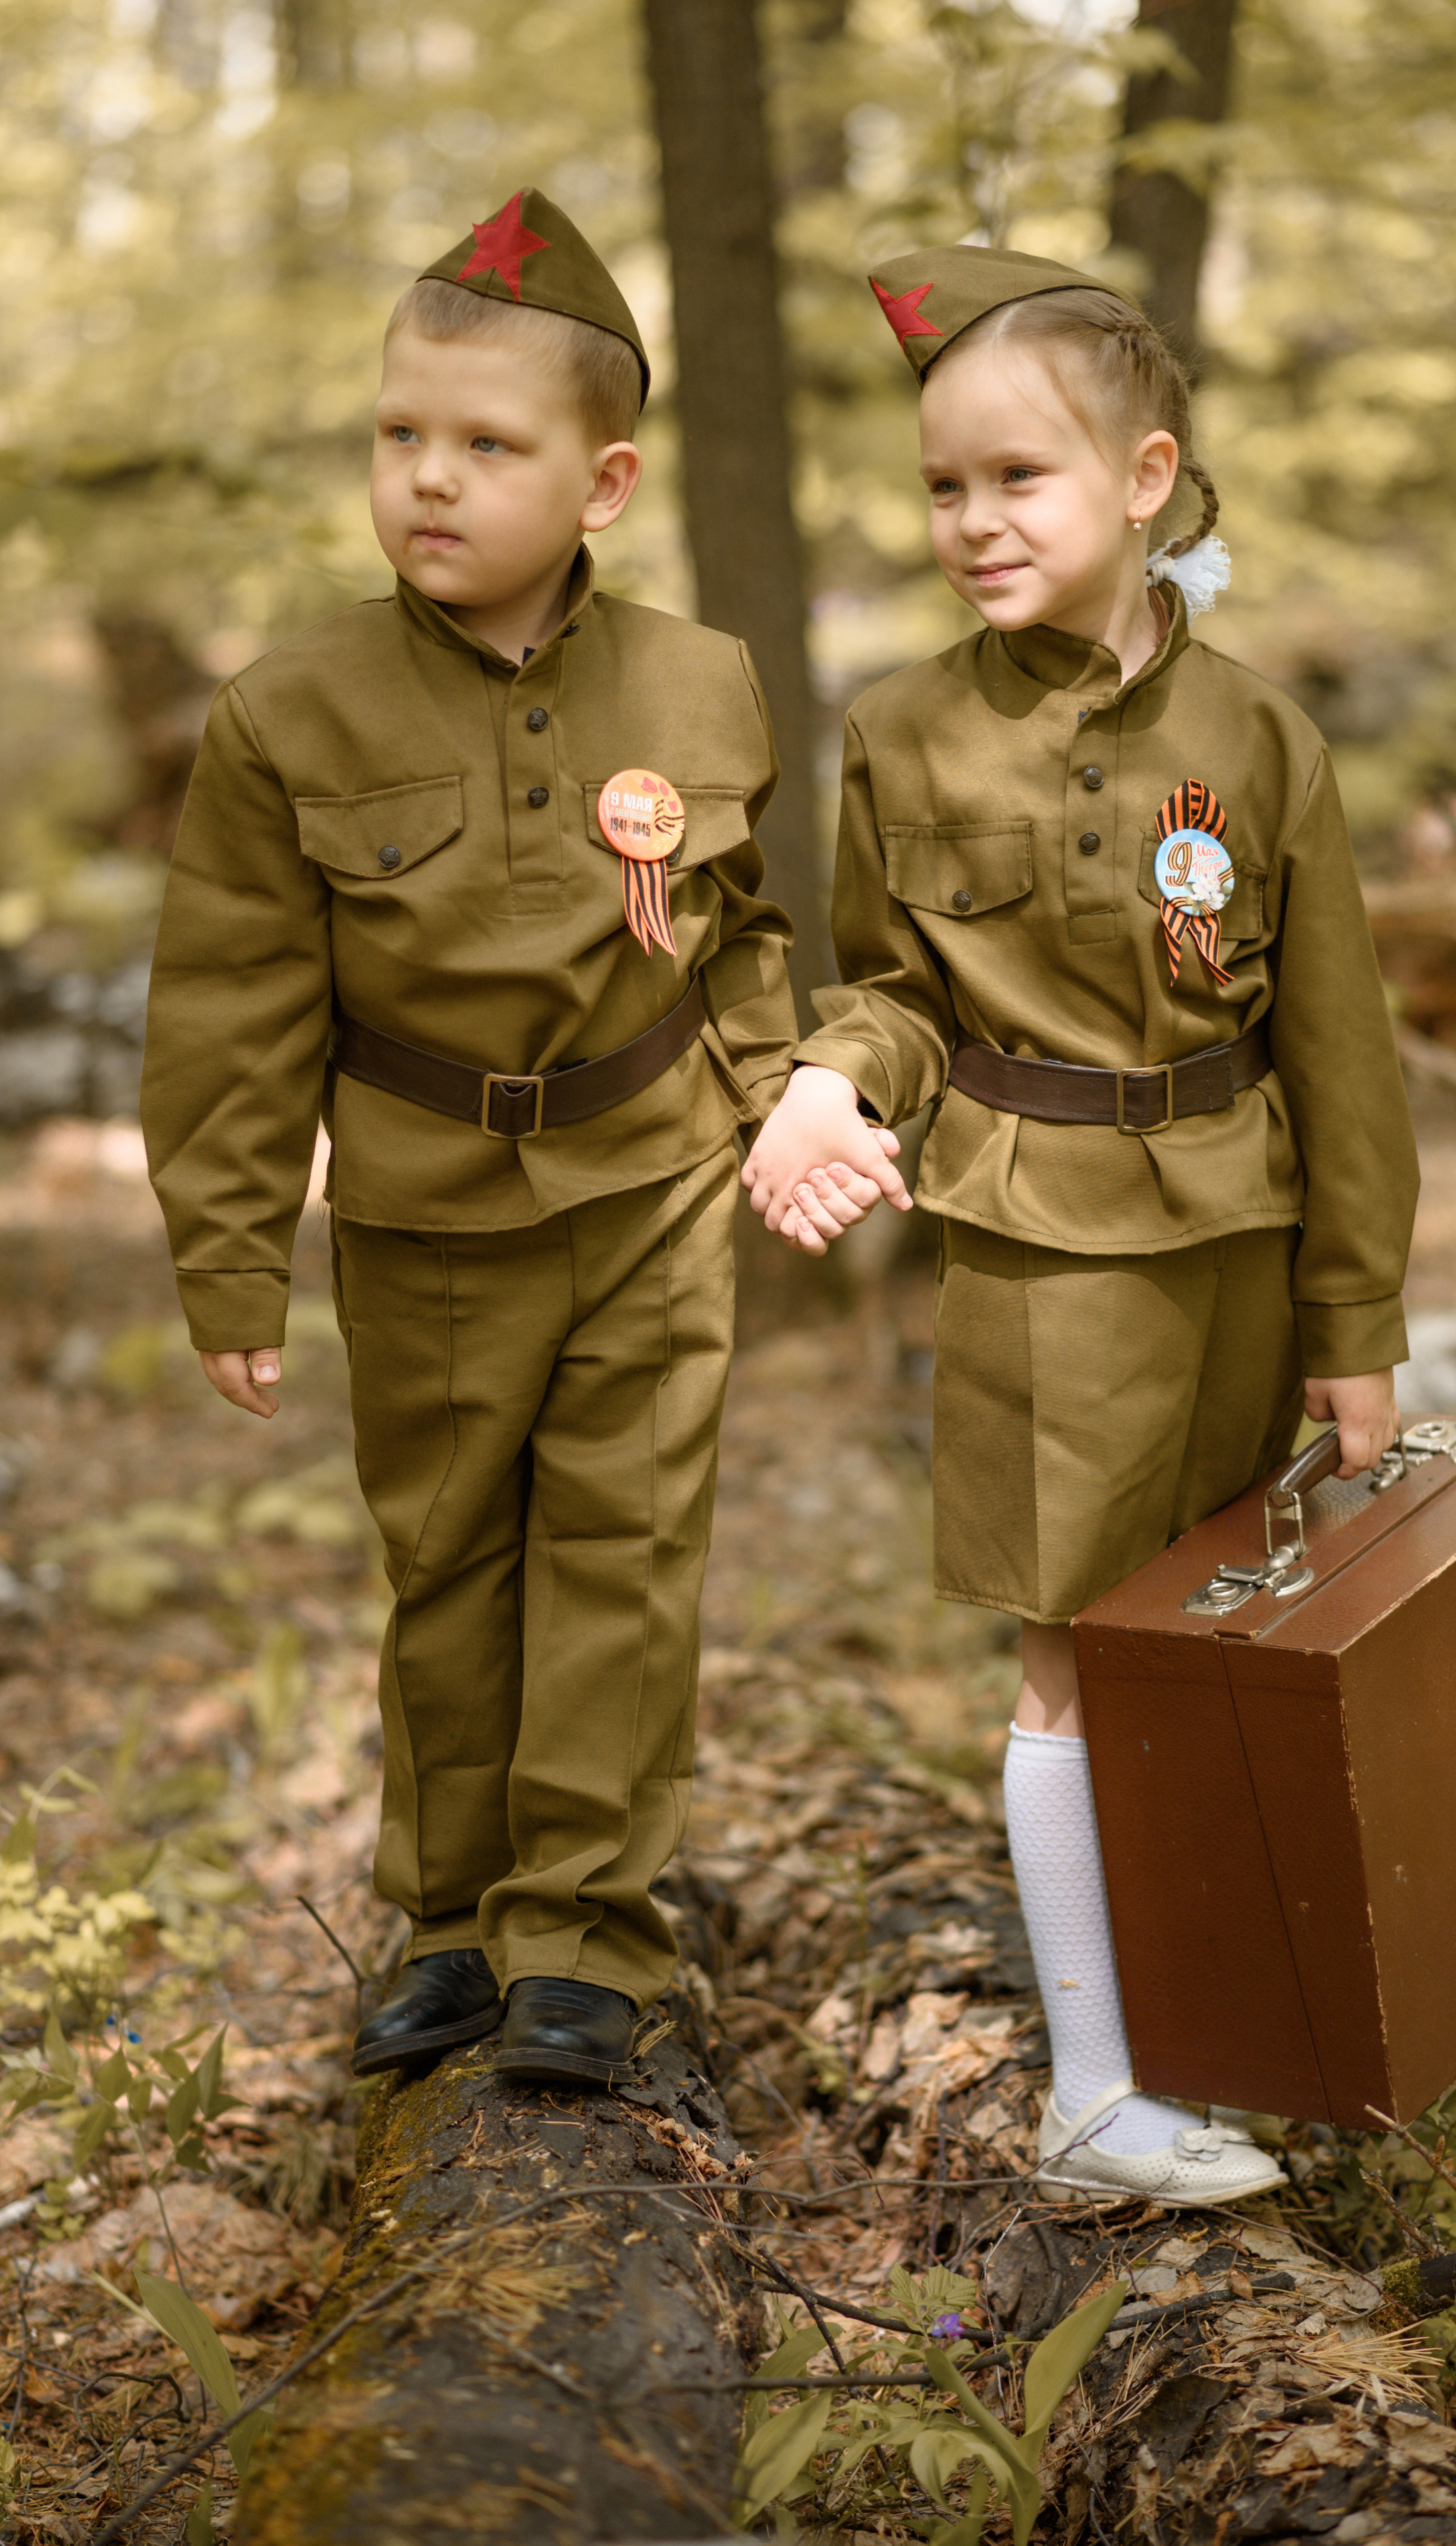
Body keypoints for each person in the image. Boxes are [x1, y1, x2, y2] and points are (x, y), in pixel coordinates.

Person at [141, 189, 841, 2088]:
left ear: (603, 480)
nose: (430, 478)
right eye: (400, 434)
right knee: (449, 1568)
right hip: (427, 1209)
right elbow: (230, 1011)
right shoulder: (290, 710)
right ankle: (453, 1916)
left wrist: (780, 1098)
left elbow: (743, 929)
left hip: (652, 1185)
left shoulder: (706, 683)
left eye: (487, 444)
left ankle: (588, 1942)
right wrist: (227, 1251)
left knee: (622, 1547)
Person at [743, 246, 1419, 2205]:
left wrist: (1357, 1316)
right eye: (944, 486)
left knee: (1223, 1642)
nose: (970, 523)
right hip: (1040, 1248)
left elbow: (1344, 1048)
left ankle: (1237, 2031)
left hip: (1244, 1234)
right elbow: (887, 989)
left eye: (1016, 480)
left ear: (1145, 477)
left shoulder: (1266, 737)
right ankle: (1097, 2085)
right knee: (1074, 1659)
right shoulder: (903, 732)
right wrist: (821, 1081)